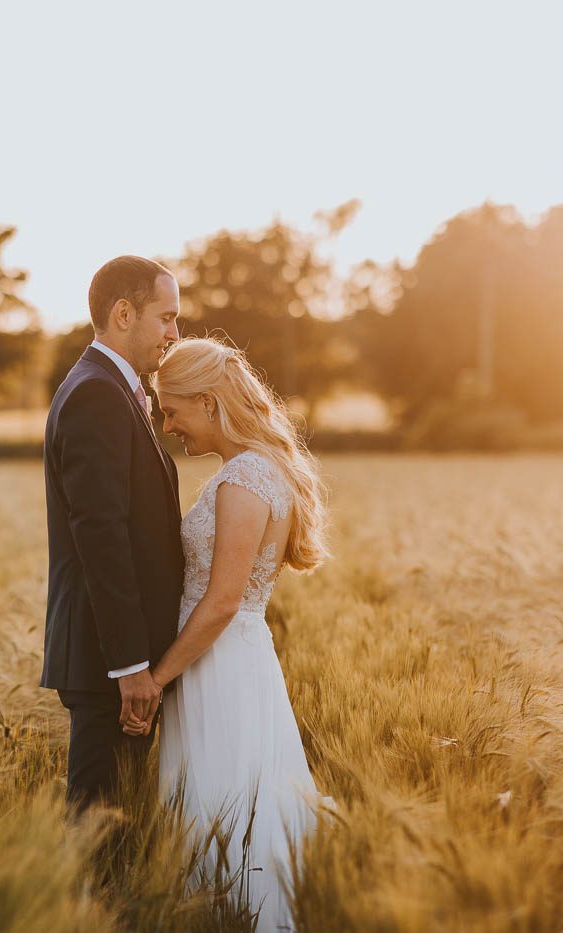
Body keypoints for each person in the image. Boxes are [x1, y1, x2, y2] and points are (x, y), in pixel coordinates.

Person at [126, 336, 331, 933]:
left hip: (217, 664)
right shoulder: (256, 470)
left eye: (173, 410)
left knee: (225, 800)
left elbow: (221, 603)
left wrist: (158, 678)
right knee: (229, 797)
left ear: (210, 403)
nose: (169, 425)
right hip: (229, 659)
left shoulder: (245, 478)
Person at [40, 255, 183, 810]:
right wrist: (130, 666)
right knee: (98, 831)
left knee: (114, 827)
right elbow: (101, 535)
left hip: (119, 662)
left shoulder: (109, 387)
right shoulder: (98, 394)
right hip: (111, 667)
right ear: (124, 313)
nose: (175, 333)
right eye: (166, 318)